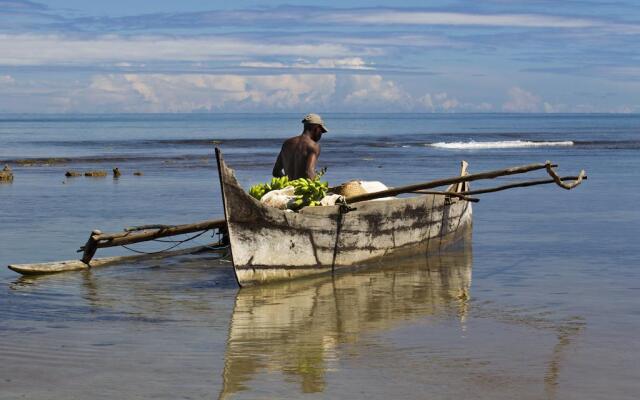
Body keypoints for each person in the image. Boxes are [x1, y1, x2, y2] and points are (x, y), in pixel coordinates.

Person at [272, 113, 328, 180]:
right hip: (303, 189)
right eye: (321, 131)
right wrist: (316, 187)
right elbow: (309, 172)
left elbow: (276, 172)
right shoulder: (313, 146)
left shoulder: (287, 143)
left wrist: (288, 182)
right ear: (316, 128)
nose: (321, 134)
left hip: (289, 188)